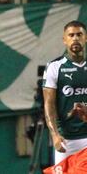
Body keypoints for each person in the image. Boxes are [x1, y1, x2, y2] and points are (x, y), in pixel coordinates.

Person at [43, 20, 87, 165]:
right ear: (64, 40)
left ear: (85, 38)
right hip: (66, 140)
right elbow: (49, 104)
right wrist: (54, 135)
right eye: (71, 35)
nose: (75, 38)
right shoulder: (55, 67)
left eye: (79, 34)